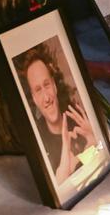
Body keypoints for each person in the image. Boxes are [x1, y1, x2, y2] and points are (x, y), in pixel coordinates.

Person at [16, 44, 96, 184]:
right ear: (34, 98)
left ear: (54, 86)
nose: (46, 98)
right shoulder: (38, 141)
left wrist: (92, 139)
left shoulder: (80, 122)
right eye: (38, 90)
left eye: (46, 85)